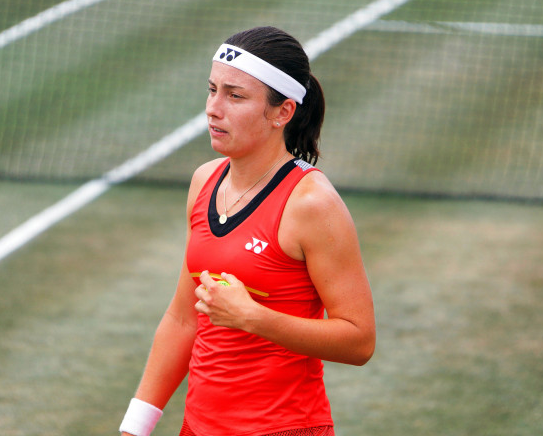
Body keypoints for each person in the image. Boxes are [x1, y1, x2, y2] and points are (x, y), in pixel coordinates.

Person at [119, 26, 376, 436]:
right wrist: (136, 427)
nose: (213, 108)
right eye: (212, 89)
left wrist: (253, 317)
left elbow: (359, 340)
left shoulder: (312, 204)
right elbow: (184, 319)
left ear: (282, 112)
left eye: (235, 96)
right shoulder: (204, 182)